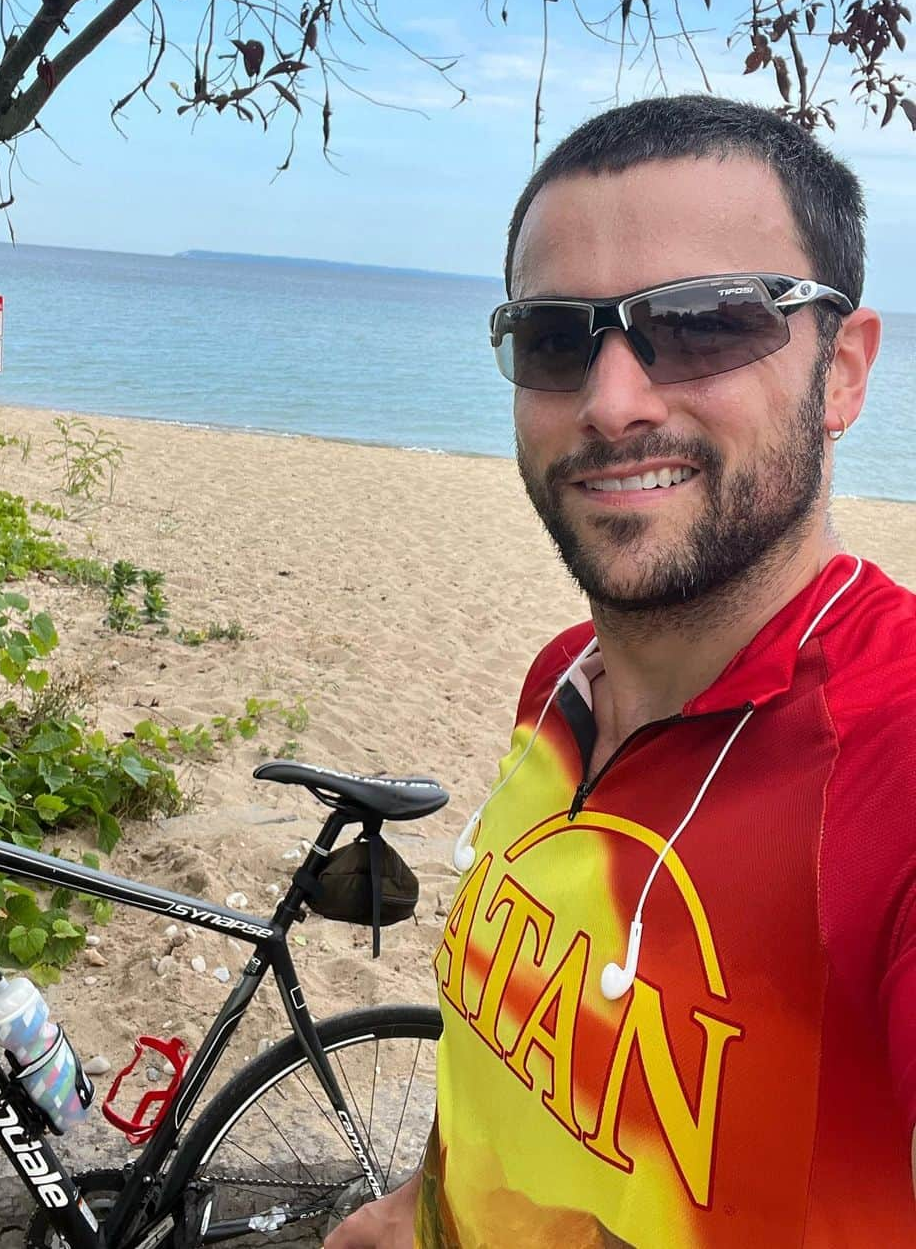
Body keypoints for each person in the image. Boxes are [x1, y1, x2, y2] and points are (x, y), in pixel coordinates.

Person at [325, 94, 916, 1247]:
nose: (612, 402)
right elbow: (519, 1048)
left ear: (842, 371)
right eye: (556, 339)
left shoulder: (892, 754)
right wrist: (427, 1203)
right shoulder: (562, 683)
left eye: (702, 324)